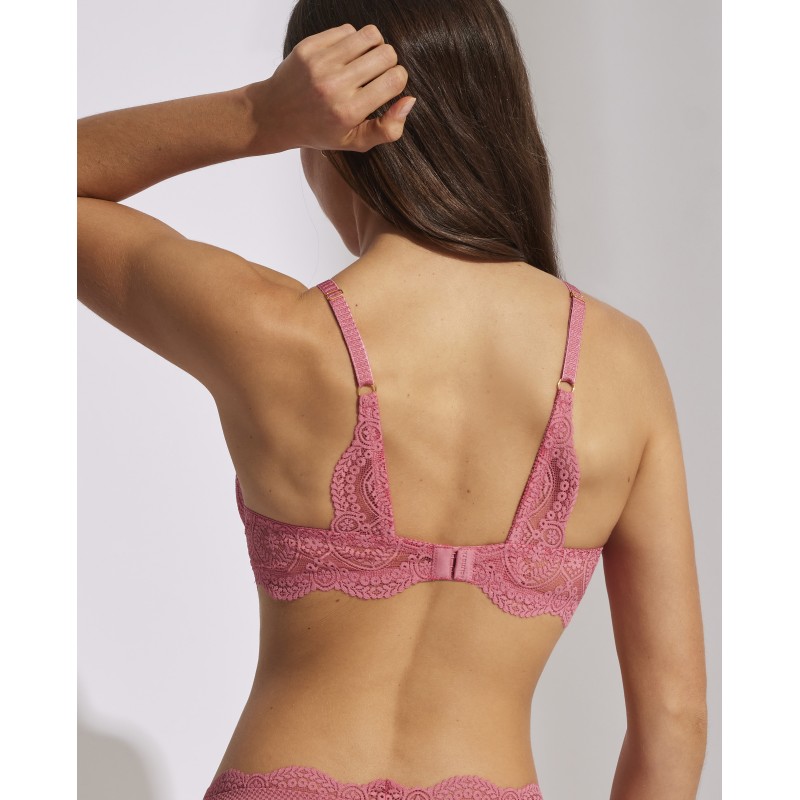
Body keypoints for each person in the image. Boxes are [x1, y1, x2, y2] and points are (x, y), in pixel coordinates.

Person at [77, 1, 707, 798]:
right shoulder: (621, 365)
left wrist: (255, 115)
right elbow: (674, 719)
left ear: (330, 132)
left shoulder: (274, 333)